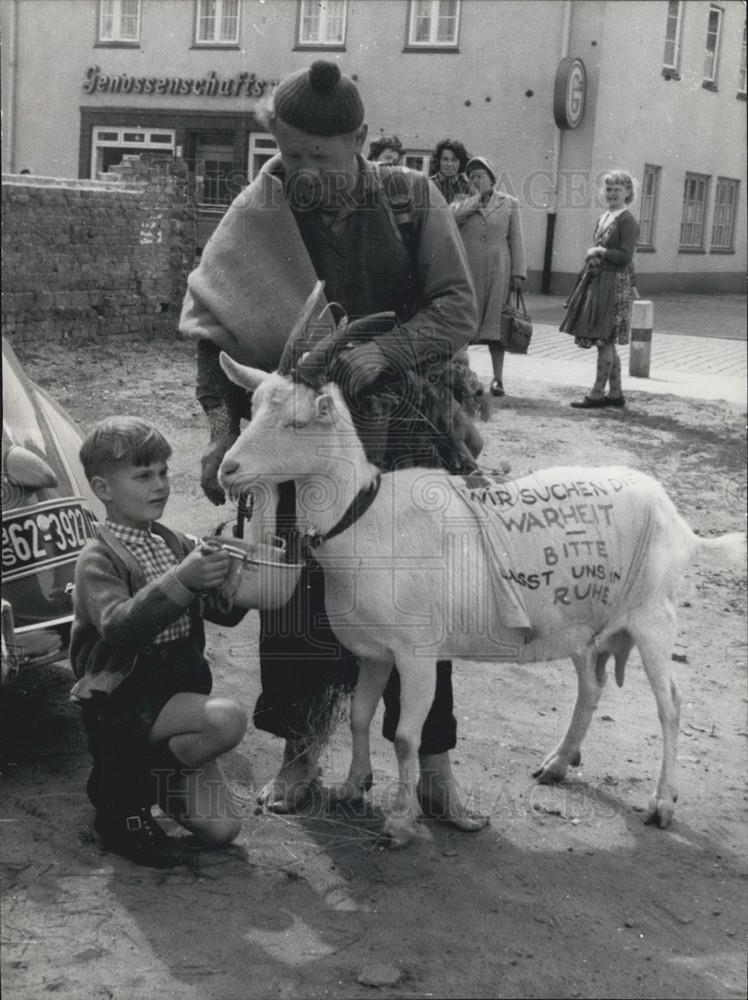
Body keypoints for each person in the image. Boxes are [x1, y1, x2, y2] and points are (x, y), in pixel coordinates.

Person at [179, 59, 486, 831]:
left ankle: (436, 767)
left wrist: (389, 351)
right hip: (302, 437)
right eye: (289, 153)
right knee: (300, 591)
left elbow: (458, 308)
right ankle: (301, 753)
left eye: (323, 155)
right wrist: (222, 431)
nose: (303, 171)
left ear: (359, 139)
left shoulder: (414, 199)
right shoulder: (258, 210)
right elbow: (212, 326)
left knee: (416, 596)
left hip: (405, 424)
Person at [70, 416, 249, 868]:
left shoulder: (173, 542)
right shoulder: (98, 558)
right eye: (143, 475)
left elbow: (222, 613)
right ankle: (119, 807)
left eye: (164, 472)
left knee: (223, 829)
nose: (160, 485)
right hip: (126, 702)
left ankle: (140, 781)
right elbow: (120, 627)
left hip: (174, 696)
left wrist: (240, 578)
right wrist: (184, 579)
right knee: (226, 720)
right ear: (103, 488)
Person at [561, 170, 640, 408]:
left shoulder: (627, 221)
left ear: (628, 193)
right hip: (599, 281)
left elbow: (625, 256)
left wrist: (600, 252)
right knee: (606, 340)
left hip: (615, 283)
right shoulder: (605, 217)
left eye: (617, 189)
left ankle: (597, 394)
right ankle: (615, 393)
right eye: (608, 189)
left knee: (604, 339)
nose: (612, 193)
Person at [452, 156, 527, 397]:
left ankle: (498, 379)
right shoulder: (462, 203)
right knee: (466, 326)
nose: (475, 180)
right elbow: (452, 220)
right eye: (472, 177)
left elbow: (516, 240)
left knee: (497, 328)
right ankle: (467, 380)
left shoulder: (509, 203)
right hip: (469, 272)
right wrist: (476, 200)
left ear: (491, 178)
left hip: (499, 272)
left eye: (480, 176)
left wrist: (518, 274)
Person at [429, 138, 472, 204]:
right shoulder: (428, 184)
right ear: (438, 161)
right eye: (445, 159)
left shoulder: (468, 187)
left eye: (454, 160)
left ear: (460, 162)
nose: (449, 164)